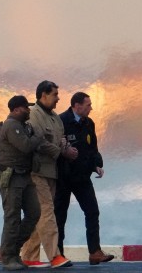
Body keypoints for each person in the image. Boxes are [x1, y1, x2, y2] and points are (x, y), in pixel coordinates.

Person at [20, 81, 78, 269]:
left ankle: (29, 255)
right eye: (54, 94)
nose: (58, 98)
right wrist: (61, 152)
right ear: (43, 96)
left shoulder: (54, 117)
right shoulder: (33, 116)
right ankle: (55, 256)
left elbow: (60, 140)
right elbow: (38, 142)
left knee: (38, 214)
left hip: (51, 172)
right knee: (47, 213)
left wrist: (69, 149)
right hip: (36, 171)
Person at [55, 92, 115, 265]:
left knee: (92, 211)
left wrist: (97, 164)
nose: (91, 108)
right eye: (88, 105)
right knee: (60, 216)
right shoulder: (61, 121)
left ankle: (95, 252)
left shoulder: (89, 123)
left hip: (82, 177)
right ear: (77, 105)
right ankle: (58, 254)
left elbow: (93, 147)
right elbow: (54, 147)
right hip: (64, 177)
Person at [0, 95, 48, 271]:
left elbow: (31, 146)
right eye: (26, 108)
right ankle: (8, 257)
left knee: (34, 212)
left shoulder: (22, 126)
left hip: (24, 175)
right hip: (11, 176)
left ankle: (14, 249)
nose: (28, 111)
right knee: (12, 217)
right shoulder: (11, 126)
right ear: (17, 109)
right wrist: (38, 136)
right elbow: (25, 146)